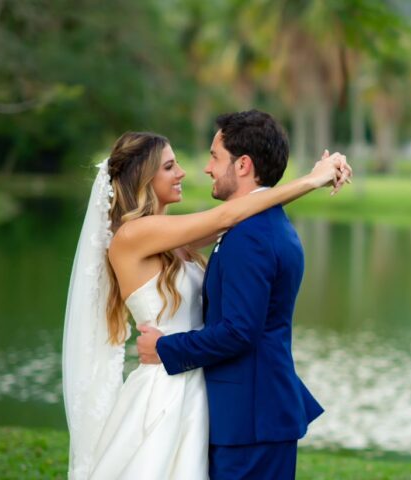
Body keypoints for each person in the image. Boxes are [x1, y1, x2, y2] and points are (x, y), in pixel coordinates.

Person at [62, 112, 351, 480]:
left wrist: (313, 175)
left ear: (243, 164)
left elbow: (244, 214)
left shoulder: (179, 241)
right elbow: (228, 217)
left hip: (201, 388)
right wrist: (311, 180)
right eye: (170, 166)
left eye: (212, 158)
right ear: (144, 177)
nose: (187, 172)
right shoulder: (133, 236)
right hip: (166, 389)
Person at [134, 110, 328, 479]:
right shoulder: (261, 224)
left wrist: (164, 349)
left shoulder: (250, 236)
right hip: (251, 415)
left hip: (250, 421)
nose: (206, 168)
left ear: (242, 165)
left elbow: (240, 331)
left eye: (214, 156)